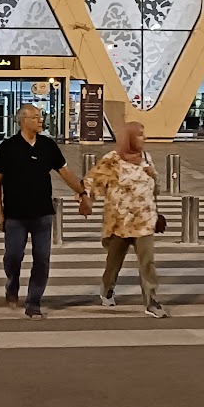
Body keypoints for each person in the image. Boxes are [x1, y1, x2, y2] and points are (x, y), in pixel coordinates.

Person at [0, 104, 90, 319]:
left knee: (42, 259)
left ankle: (34, 302)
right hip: (15, 215)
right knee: (13, 256)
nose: (40, 120)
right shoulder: (8, 147)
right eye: (36, 117)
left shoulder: (48, 145)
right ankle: (12, 284)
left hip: (43, 214)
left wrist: (83, 193)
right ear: (23, 120)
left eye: (40, 116)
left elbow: (65, 173)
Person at [83, 121, 168, 318]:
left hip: (144, 221)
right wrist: (87, 199)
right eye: (139, 135)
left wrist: (155, 211)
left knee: (148, 262)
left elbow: (155, 187)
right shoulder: (112, 160)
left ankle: (151, 300)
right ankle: (107, 289)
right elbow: (92, 181)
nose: (143, 138)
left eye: (143, 134)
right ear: (128, 138)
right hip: (119, 222)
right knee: (114, 261)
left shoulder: (146, 158)